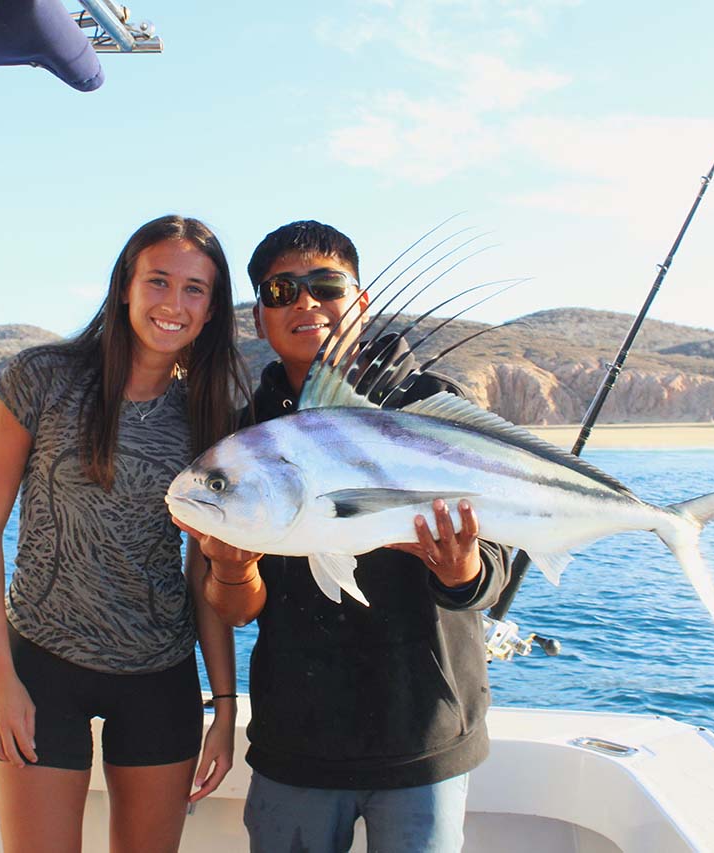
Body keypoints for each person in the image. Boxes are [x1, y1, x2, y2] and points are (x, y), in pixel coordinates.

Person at [182, 220, 511, 853]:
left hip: (425, 736)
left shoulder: (431, 405)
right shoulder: (242, 443)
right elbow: (234, 608)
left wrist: (462, 569)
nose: (305, 303)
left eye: (326, 285)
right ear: (259, 318)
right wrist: (231, 568)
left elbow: (494, 560)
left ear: (359, 303)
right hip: (298, 744)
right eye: (281, 291)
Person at [0, 215, 249, 853]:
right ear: (126, 286)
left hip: (159, 675)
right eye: (159, 281)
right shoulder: (43, 378)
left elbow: (203, 572)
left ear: (211, 310)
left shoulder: (208, 417)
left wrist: (224, 707)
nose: (174, 304)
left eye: (195, 289)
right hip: (40, 665)